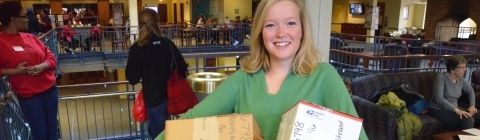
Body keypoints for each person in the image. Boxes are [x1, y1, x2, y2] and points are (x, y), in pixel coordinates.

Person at [155, 0, 368, 139]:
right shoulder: (243, 80)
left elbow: (356, 136)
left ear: (302, 30)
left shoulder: (324, 77)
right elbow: (192, 120)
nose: (281, 33)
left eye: (291, 23)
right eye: (270, 25)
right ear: (260, 33)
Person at [0, 1, 59, 139]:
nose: (27, 19)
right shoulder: (1, 42)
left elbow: (50, 57)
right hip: (31, 98)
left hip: (50, 91)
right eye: (23, 16)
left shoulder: (30, 37)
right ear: (13, 19)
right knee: (40, 135)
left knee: (53, 132)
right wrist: (15, 71)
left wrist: (43, 66)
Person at [125, 8, 187, 139]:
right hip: (171, 97)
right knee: (167, 131)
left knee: (158, 135)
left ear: (140, 24)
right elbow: (182, 68)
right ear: (157, 23)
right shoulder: (167, 44)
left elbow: (132, 78)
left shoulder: (137, 48)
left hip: (154, 100)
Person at [429, 55, 480, 130]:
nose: (464, 70)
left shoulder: (461, 79)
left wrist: (472, 106)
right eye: (461, 67)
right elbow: (438, 98)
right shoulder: (441, 77)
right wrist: (456, 110)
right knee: (468, 120)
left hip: (454, 108)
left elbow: (470, 91)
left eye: (465, 67)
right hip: (438, 109)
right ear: (452, 69)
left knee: (479, 115)